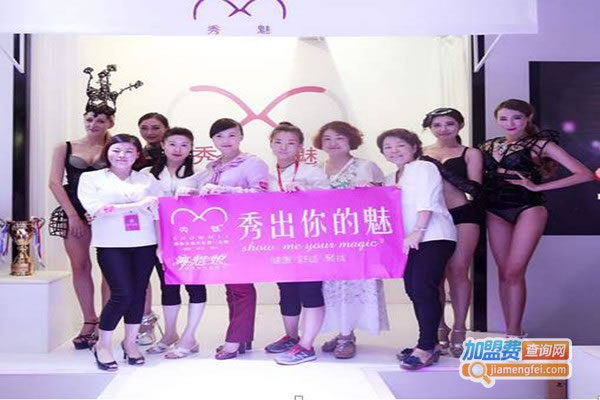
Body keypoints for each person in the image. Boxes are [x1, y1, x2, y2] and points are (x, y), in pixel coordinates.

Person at [479, 99, 593, 337]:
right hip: (495, 210)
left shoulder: (540, 144)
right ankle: (511, 332)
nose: (510, 123)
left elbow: (584, 174)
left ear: (528, 118)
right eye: (503, 118)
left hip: (528, 208)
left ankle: (514, 334)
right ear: (496, 120)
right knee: (503, 273)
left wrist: (538, 187)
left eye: (516, 118)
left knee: (513, 272)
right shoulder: (487, 146)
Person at [48, 65, 142, 350]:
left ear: (110, 122)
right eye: (89, 119)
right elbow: (54, 183)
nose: (93, 124)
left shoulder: (115, 148)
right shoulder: (65, 146)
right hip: (73, 211)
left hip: (107, 212)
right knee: (80, 265)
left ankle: (106, 322)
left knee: (110, 268)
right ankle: (88, 320)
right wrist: (73, 215)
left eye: (100, 120)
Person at [179, 118, 269, 360]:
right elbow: (200, 190)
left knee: (241, 287)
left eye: (231, 135)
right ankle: (241, 338)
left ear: (241, 136)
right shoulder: (213, 166)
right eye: (219, 136)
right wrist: (192, 191)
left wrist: (227, 191)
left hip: (243, 231)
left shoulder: (252, 163)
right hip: (219, 234)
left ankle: (234, 340)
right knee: (231, 287)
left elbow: (262, 195)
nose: (225, 141)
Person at [78, 134, 161, 371]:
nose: (122, 155)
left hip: (145, 242)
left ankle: (130, 342)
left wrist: (161, 246)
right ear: (107, 153)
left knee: (138, 293)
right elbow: (96, 209)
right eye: (116, 150)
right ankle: (103, 344)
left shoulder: (147, 180)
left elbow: (158, 213)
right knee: (121, 293)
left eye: (128, 151)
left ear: (137, 155)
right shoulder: (91, 178)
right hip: (110, 243)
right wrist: (138, 206)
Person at [378, 128, 457, 370]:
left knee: (423, 288)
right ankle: (429, 343)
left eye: (400, 145)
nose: (394, 151)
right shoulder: (392, 177)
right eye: (388, 147)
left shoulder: (423, 167)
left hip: (432, 236)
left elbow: (427, 200)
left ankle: (425, 348)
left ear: (414, 147)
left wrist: (418, 230)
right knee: (413, 290)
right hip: (409, 241)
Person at [314, 121, 389, 359]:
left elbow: (383, 200)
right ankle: (342, 332)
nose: (333, 143)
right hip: (325, 237)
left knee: (354, 285)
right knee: (331, 287)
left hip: (358, 238)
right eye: (327, 139)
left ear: (351, 141)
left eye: (339, 138)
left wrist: (370, 189)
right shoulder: (315, 169)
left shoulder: (366, 166)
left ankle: (347, 336)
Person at [262, 122, 329, 365]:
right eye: (278, 142)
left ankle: (307, 346)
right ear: (271, 144)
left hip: (310, 242)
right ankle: (291, 337)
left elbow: (331, 200)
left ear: (301, 146)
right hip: (280, 242)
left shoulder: (312, 172)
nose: (284, 147)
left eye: (291, 142)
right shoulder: (267, 176)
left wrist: (306, 190)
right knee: (287, 290)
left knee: (310, 290)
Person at [421, 108, 483, 357]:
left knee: (458, 270)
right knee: (434, 275)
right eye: (437, 125)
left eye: (449, 124)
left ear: (460, 126)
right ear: (430, 128)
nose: (443, 129)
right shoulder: (421, 152)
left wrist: (441, 169)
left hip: (462, 214)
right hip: (432, 217)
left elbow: (474, 188)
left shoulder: (470, 153)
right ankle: (439, 326)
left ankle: (459, 328)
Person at [142, 127, 208, 359]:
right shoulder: (147, 174)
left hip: (193, 239)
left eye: (184, 145)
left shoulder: (201, 174)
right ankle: (170, 334)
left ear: (191, 148)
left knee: (195, 285)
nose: (178, 149)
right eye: (172, 144)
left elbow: (211, 205)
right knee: (168, 285)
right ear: (163, 146)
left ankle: (189, 338)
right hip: (158, 238)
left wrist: (195, 196)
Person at [135, 112, 170, 346]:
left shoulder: (176, 153)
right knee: (141, 277)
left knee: (168, 280)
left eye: (155, 127)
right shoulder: (135, 156)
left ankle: (172, 331)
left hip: (172, 226)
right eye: (144, 128)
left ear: (166, 129)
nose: (150, 132)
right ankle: (145, 321)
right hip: (142, 225)